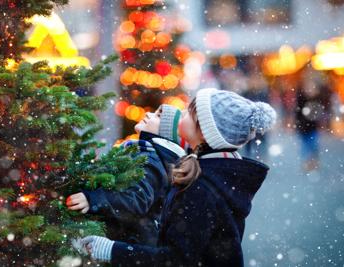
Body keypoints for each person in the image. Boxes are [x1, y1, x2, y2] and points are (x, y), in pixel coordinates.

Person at [74, 88, 276, 267]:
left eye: (189, 112)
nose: (182, 114)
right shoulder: (216, 174)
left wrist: (110, 249)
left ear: (205, 132)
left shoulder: (202, 188)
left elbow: (176, 259)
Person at [66, 104, 188, 246]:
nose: (148, 114)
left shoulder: (151, 160)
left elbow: (136, 198)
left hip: (130, 243)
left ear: (167, 133)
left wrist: (94, 199)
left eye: (158, 116)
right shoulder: (147, 154)